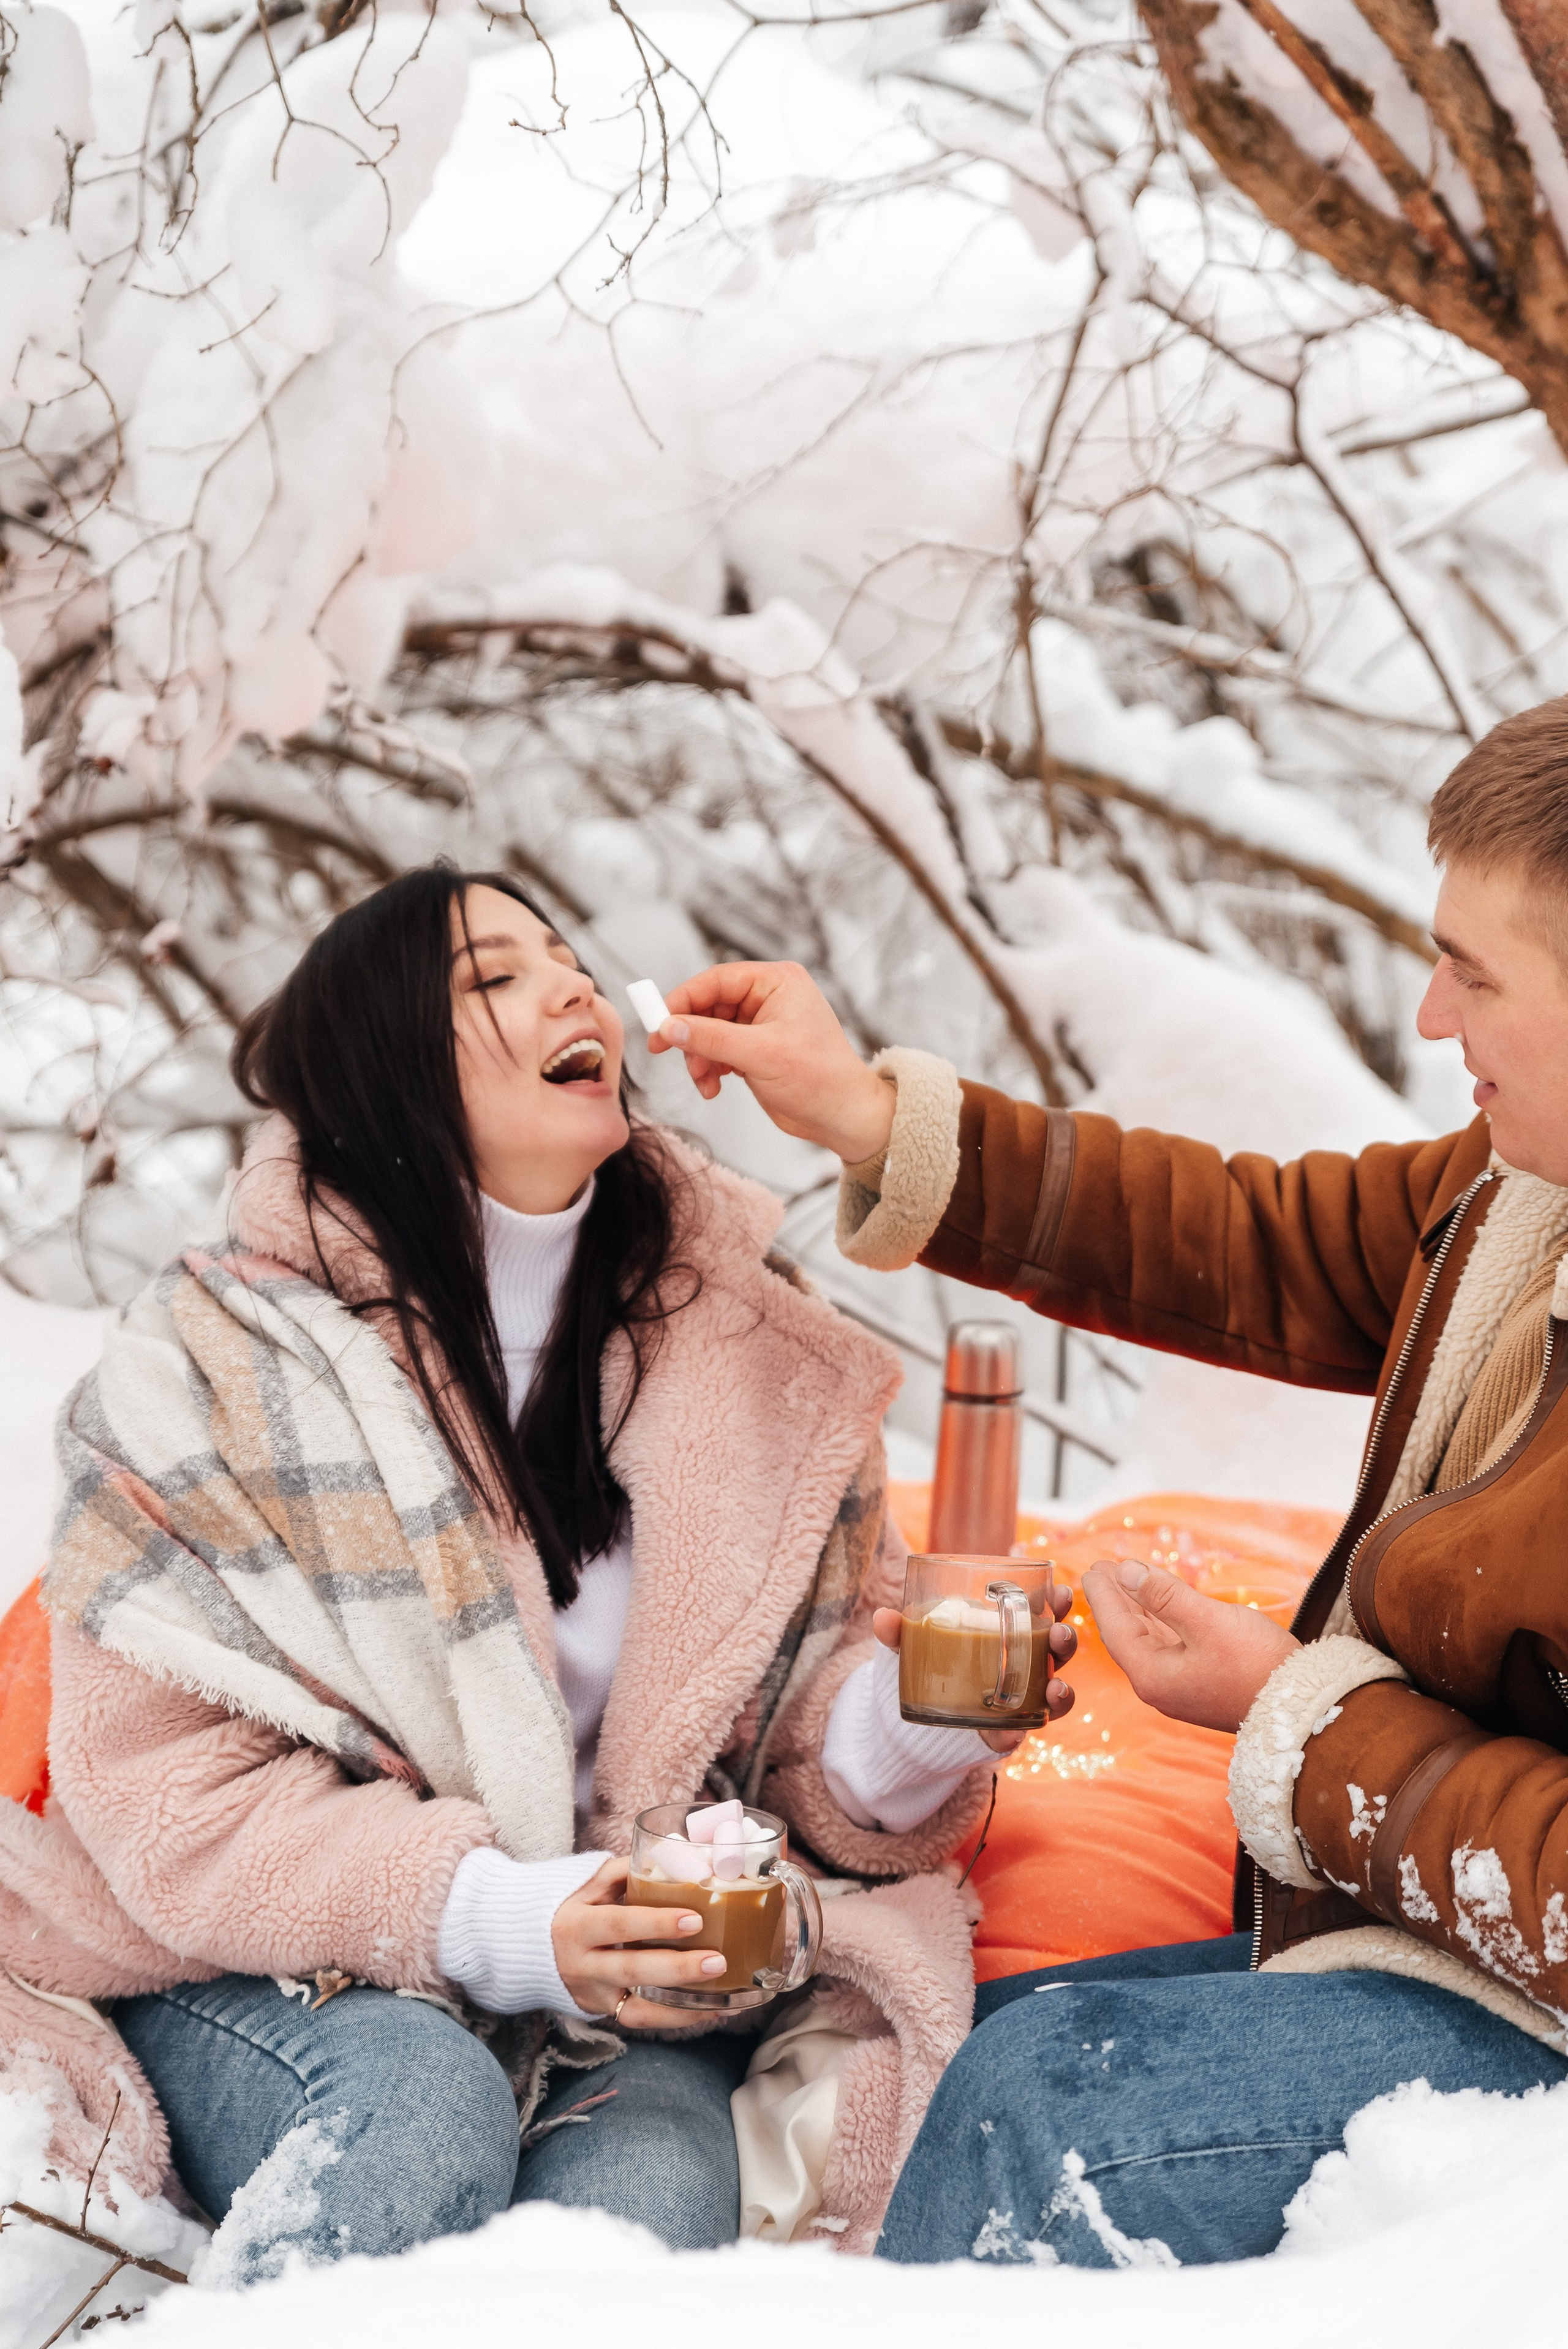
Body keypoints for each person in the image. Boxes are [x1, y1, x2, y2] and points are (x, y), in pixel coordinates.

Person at [22, 864, 1084, 2277]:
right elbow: (165, 1796)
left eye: (568, 956)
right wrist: (510, 1921)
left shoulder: (747, 1355)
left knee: (640, 2213)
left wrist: (908, 1717)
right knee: (421, 2108)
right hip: (252, 1969)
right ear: (374, 1069)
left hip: (627, 2003)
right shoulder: (203, 1372)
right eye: (492, 977)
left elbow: (782, 1755)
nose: (573, 985)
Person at [646, 696, 1568, 2265]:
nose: (1426, 1018)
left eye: (1473, 974)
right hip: (1411, 1949)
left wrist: (1294, 1713)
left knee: (1037, 2101)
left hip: (1519, 2017)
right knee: (941, 2046)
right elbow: (1254, 1241)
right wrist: (874, 1114)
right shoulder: (1518, 1192)